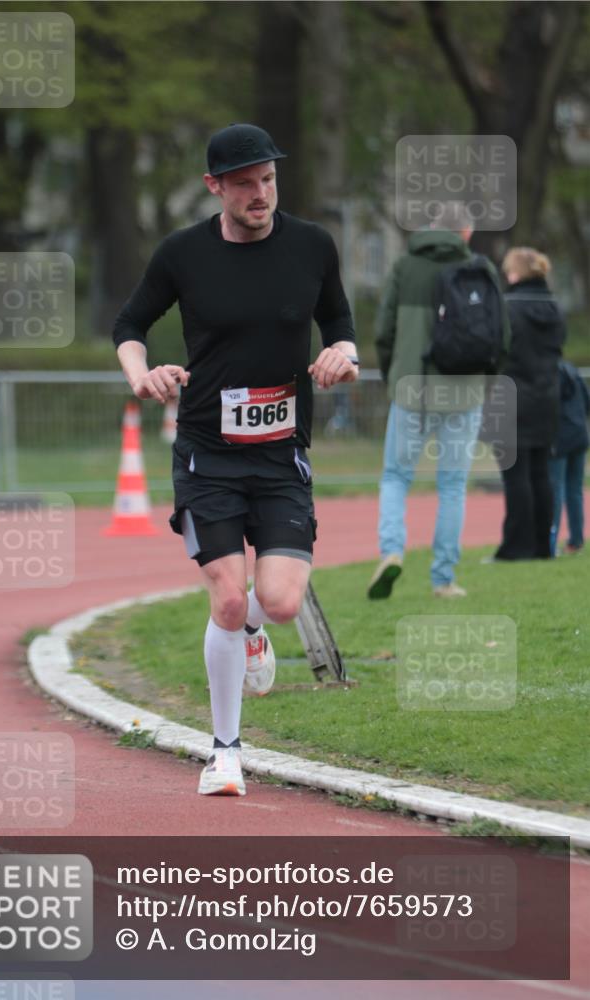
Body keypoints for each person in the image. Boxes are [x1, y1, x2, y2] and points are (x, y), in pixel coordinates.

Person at [112, 123, 358, 797]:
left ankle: (255, 626)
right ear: (214, 186)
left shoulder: (311, 245)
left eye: (268, 179)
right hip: (206, 456)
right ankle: (224, 752)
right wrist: (141, 374)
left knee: (276, 602)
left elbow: (338, 321)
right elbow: (128, 326)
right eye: (244, 182)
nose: (260, 193)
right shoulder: (183, 253)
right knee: (225, 599)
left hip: (281, 459)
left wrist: (346, 356)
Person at [369, 202, 508, 600]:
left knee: (396, 476)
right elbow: (504, 335)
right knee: (451, 485)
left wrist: (391, 376)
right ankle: (443, 578)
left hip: (411, 388)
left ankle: (392, 551)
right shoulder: (482, 269)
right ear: (466, 232)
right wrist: (486, 382)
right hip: (464, 392)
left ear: (432, 227)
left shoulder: (405, 266)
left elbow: (384, 329)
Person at [493, 248, 565, 560]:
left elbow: (499, 350)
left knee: (515, 474)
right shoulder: (554, 308)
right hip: (547, 395)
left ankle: (516, 546)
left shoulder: (507, 307)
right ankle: (542, 545)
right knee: (540, 473)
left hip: (511, 395)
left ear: (514, 274)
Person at [549, 359, 589, 555]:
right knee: (575, 490)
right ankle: (576, 540)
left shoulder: (547, 372)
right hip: (580, 435)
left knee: (555, 491)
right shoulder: (572, 369)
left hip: (560, 438)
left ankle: (550, 541)